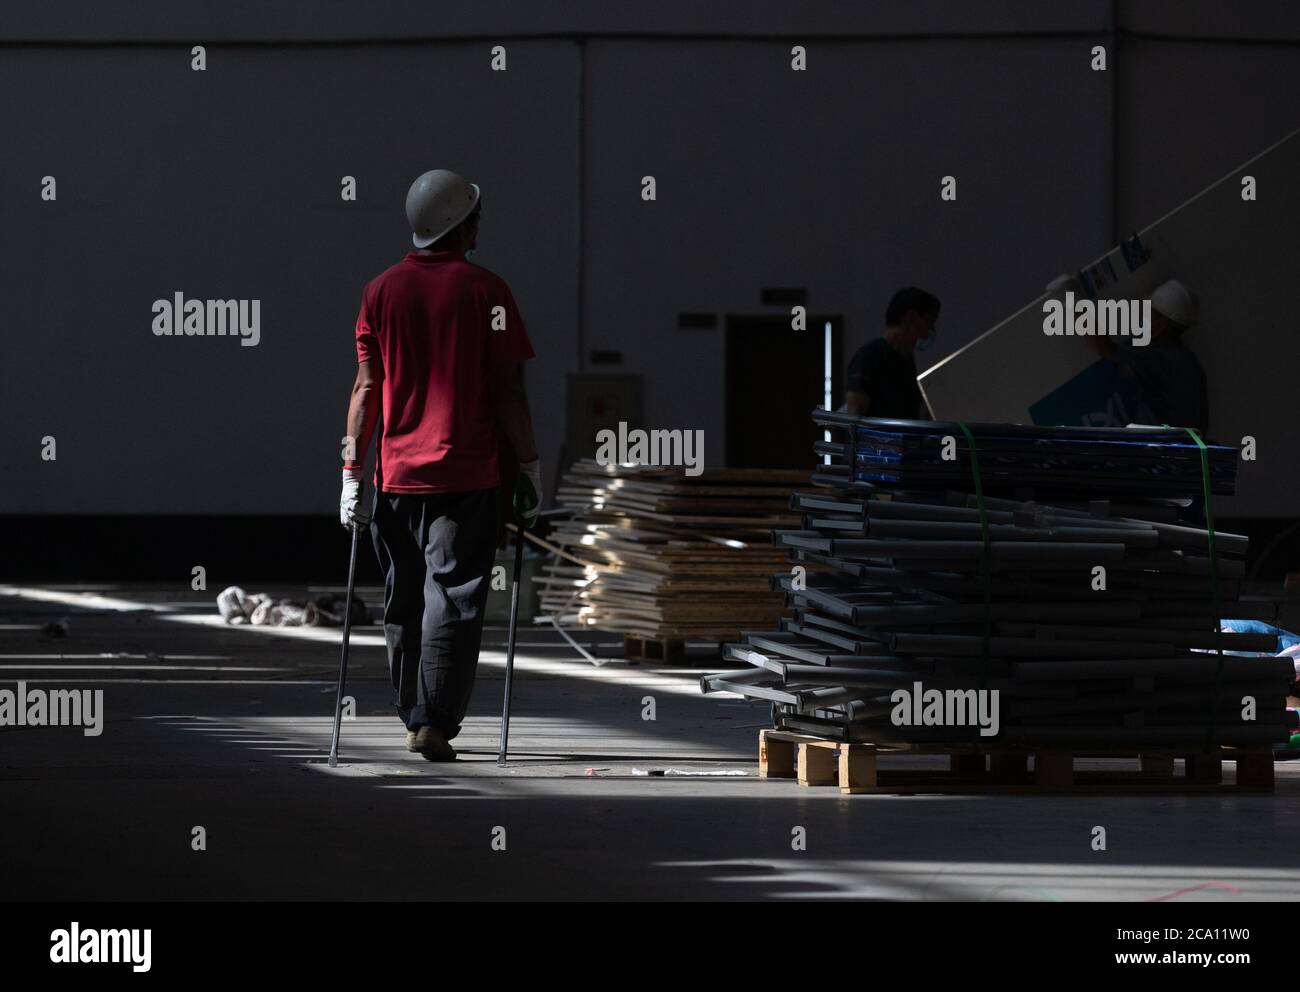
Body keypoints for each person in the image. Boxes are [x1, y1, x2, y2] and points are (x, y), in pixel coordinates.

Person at [339, 169, 541, 761]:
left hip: (396, 476)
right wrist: (527, 465)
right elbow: (509, 391)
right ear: (461, 224)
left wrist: (351, 474)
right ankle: (432, 719)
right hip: (468, 477)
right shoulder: (489, 292)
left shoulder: (380, 291)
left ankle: (412, 712)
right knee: (451, 597)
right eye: (475, 216)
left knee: (404, 598)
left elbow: (364, 389)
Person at [1085, 278, 1209, 435]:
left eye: (1150, 313)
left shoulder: (1161, 358)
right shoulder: (1189, 362)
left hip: (1168, 453)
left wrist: (1072, 302)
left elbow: (1103, 347)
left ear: (1162, 324)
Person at [843, 287, 940, 418]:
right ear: (911, 317)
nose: (929, 330)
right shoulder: (870, 355)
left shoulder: (906, 358)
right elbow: (854, 417)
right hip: (875, 438)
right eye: (929, 321)